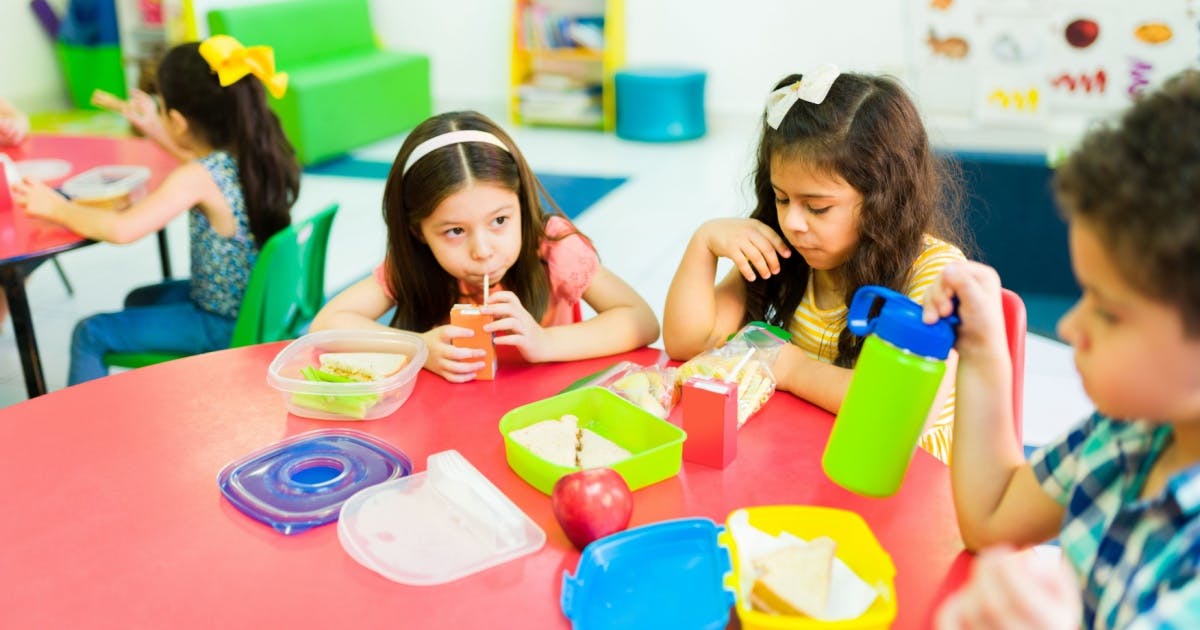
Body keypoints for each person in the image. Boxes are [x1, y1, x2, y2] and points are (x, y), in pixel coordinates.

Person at [929, 70, 1200, 628]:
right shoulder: (1130, 431)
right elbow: (992, 512)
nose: (1072, 325)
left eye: (1107, 309)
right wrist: (982, 351)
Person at [662, 66, 967, 462]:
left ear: (882, 200)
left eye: (818, 207)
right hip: (809, 459)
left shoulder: (935, 275)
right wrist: (703, 244)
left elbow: (899, 410)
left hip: (906, 481)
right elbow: (688, 343)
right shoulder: (788, 253)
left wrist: (791, 370)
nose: (792, 222)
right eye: (782, 198)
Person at [12, 36, 299, 385]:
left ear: (178, 121)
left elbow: (122, 230)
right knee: (140, 298)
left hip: (222, 324)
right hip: (253, 305)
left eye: (160, 108)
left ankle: (81, 431)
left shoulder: (196, 176)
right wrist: (152, 127)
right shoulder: (254, 155)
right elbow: (197, 162)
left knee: (90, 333)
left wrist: (56, 207)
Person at [310, 110, 660, 382]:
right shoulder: (415, 263)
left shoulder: (553, 247)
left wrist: (546, 343)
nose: (483, 250)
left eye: (500, 221)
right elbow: (326, 325)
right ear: (419, 232)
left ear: (522, 204)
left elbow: (641, 321)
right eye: (455, 231)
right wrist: (417, 347)